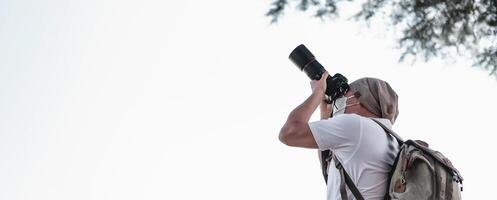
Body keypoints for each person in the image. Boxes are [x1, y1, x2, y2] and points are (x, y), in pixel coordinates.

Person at [278, 72, 400, 200]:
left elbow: (289, 133)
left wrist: (318, 93)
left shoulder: (356, 126)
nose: (340, 103)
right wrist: (325, 115)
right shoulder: (389, 139)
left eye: (344, 98)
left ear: (361, 101)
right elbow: (331, 172)